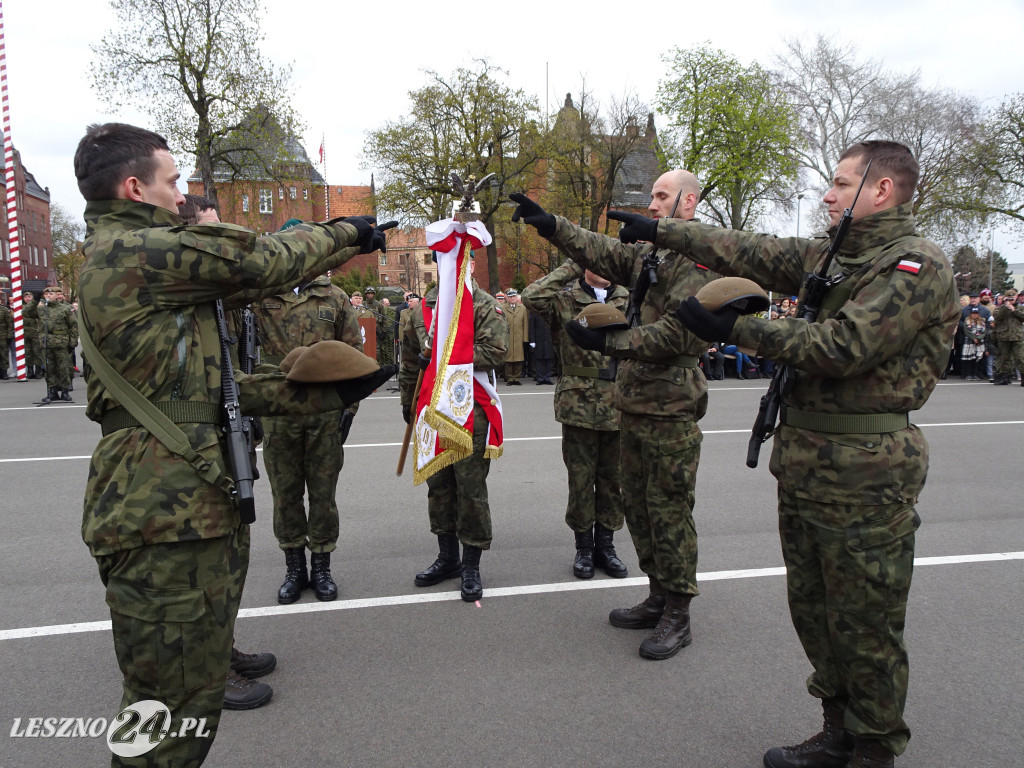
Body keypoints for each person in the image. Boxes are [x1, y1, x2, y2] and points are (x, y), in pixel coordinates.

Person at [617, 141, 958, 768]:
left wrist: (735, 327)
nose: (826, 195)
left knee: (866, 622)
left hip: (867, 469)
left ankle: (874, 749)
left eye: (839, 183)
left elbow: (841, 346)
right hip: (806, 460)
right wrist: (668, 230)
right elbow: (754, 252)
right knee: (816, 611)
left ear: (879, 191)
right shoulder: (839, 252)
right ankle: (837, 731)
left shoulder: (915, 265)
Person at [74, 122, 393, 768]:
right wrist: (346, 234)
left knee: (182, 713)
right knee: (166, 725)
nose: (181, 197)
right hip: (161, 519)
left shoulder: (135, 259)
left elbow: (205, 395)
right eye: (171, 184)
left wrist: (313, 394)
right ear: (134, 188)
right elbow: (257, 260)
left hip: (174, 510)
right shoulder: (135, 252)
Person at [510, 168, 716, 661]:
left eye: (661, 196)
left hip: (670, 405)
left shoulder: (701, 258)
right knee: (640, 510)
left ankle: (678, 612)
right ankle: (657, 594)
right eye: (651, 195)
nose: (651, 204)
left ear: (689, 204)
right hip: (634, 404)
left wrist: (613, 342)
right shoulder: (652, 256)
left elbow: (680, 333)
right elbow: (602, 251)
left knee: (669, 511)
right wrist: (551, 225)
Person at [177, 192, 279, 710]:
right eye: (214, 231)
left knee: (229, 556)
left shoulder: (213, 292)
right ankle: (206, 676)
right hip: (187, 446)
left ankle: (221, 648)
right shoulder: (180, 284)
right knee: (200, 567)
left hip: (225, 431)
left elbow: (269, 274)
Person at [399, 255, 508, 601]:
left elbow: (496, 351)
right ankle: (448, 557)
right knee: (439, 487)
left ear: (472, 266)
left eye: (463, 262)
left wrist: (449, 355)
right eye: (448, 262)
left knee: (470, 489)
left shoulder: (485, 305)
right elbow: (409, 361)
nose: (457, 268)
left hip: (470, 410)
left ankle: (472, 565)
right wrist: (407, 403)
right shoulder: (423, 311)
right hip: (431, 409)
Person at [255, 265, 364, 604]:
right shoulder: (261, 296)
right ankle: (293, 568)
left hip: (324, 409)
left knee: (322, 494)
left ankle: (321, 566)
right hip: (279, 408)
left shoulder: (334, 296)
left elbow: (352, 355)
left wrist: (350, 408)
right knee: (284, 495)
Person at [522, 260, 630, 579]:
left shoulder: (628, 298)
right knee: (581, 479)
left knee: (614, 479)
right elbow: (531, 297)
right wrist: (571, 265)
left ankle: (606, 546)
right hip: (578, 400)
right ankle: (583, 547)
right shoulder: (565, 299)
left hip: (621, 400)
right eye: (594, 258)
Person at [24, 285, 77, 403]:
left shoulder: (64, 308)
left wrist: (72, 342)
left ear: (56, 296)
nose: (48, 296)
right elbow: (26, 312)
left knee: (63, 367)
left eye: (51, 294)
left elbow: (73, 325)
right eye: (46, 294)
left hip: (61, 342)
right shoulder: (41, 309)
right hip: (46, 343)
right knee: (49, 368)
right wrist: (35, 300)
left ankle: (65, 391)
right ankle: (52, 391)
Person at [992, 288, 1024, 385]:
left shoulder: (1020, 307)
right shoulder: (1000, 308)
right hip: (1004, 336)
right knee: (1004, 358)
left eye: (1012, 298)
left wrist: (1014, 310)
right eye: (1008, 298)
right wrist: (1006, 308)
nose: (1011, 300)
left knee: (1020, 357)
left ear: (1016, 297)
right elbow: (997, 316)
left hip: (1017, 336)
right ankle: (1004, 377)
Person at [502, 288, 529, 384]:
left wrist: (525, 338)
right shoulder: (503, 308)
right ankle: (509, 378)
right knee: (508, 358)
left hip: (519, 337)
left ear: (517, 297)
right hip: (507, 337)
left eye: (514, 296)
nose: (512, 298)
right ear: (507, 298)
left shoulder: (522, 308)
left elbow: (525, 323)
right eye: (510, 297)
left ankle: (516, 378)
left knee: (519, 358)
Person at [528, 306, 556, 384]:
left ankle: (547, 377)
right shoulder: (534, 312)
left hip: (549, 339)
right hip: (538, 339)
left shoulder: (551, 312)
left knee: (549, 359)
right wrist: (532, 340)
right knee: (538, 359)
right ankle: (540, 377)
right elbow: (531, 327)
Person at [20, 292, 43, 378]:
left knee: (37, 353)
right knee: (27, 353)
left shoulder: (37, 307)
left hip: (35, 333)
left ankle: (38, 371)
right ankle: (30, 371)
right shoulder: (21, 307)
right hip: (25, 334)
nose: (27, 298)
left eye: (29, 297)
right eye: (25, 297)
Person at [0, 293, 12, 379]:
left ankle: (4, 373)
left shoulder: (4, 310)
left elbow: (9, 324)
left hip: (3, 336)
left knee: (4, 354)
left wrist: (9, 335)